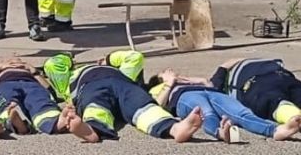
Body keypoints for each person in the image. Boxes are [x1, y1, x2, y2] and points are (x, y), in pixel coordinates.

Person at [40, 51, 202, 143]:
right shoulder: (67, 82)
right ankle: (91, 129)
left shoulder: (124, 73)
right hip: (90, 86)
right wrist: (68, 57)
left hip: (122, 84)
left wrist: (108, 59)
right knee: (95, 105)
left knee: (143, 106)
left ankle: (174, 129)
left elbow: (134, 57)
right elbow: (52, 64)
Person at [148, 68, 301, 142]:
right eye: (164, 71)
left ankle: (275, 130)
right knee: (205, 112)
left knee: (241, 113)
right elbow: (158, 105)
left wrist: (192, 79)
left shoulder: (185, 81)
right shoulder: (158, 88)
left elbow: (208, 83)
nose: (170, 71)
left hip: (212, 93)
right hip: (185, 97)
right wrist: (169, 82)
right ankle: (220, 133)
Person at [0, 58, 76, 135]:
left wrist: (34, 71)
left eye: (20, 60)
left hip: (32, 85)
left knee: (41, 101)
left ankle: (55, 122)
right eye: (9, 60)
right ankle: (14, 121)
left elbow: (50, 91)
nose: (15, 60)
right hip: (4, 85)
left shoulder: (31, 73)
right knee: (6, 102)